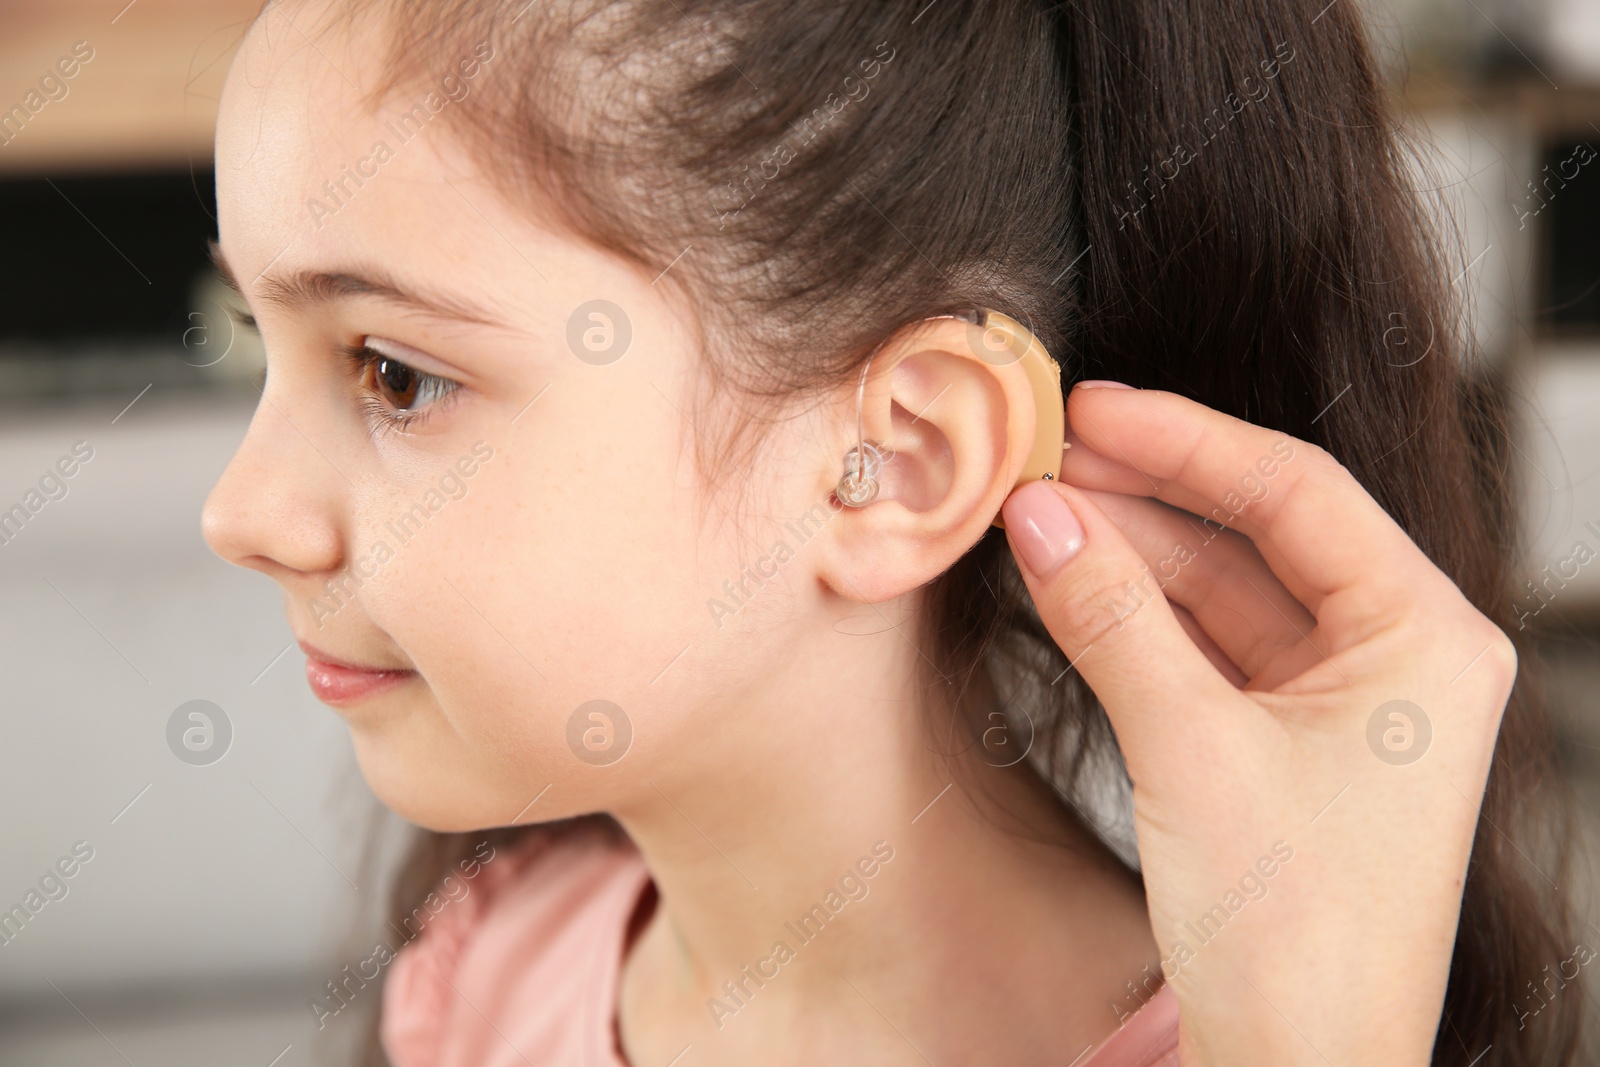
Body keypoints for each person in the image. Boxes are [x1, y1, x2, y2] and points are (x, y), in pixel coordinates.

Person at [201, 0, 1584, 1063]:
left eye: (393, 374)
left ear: (900, 459)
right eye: (251, 340)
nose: (240, 514)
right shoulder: (492, 978)